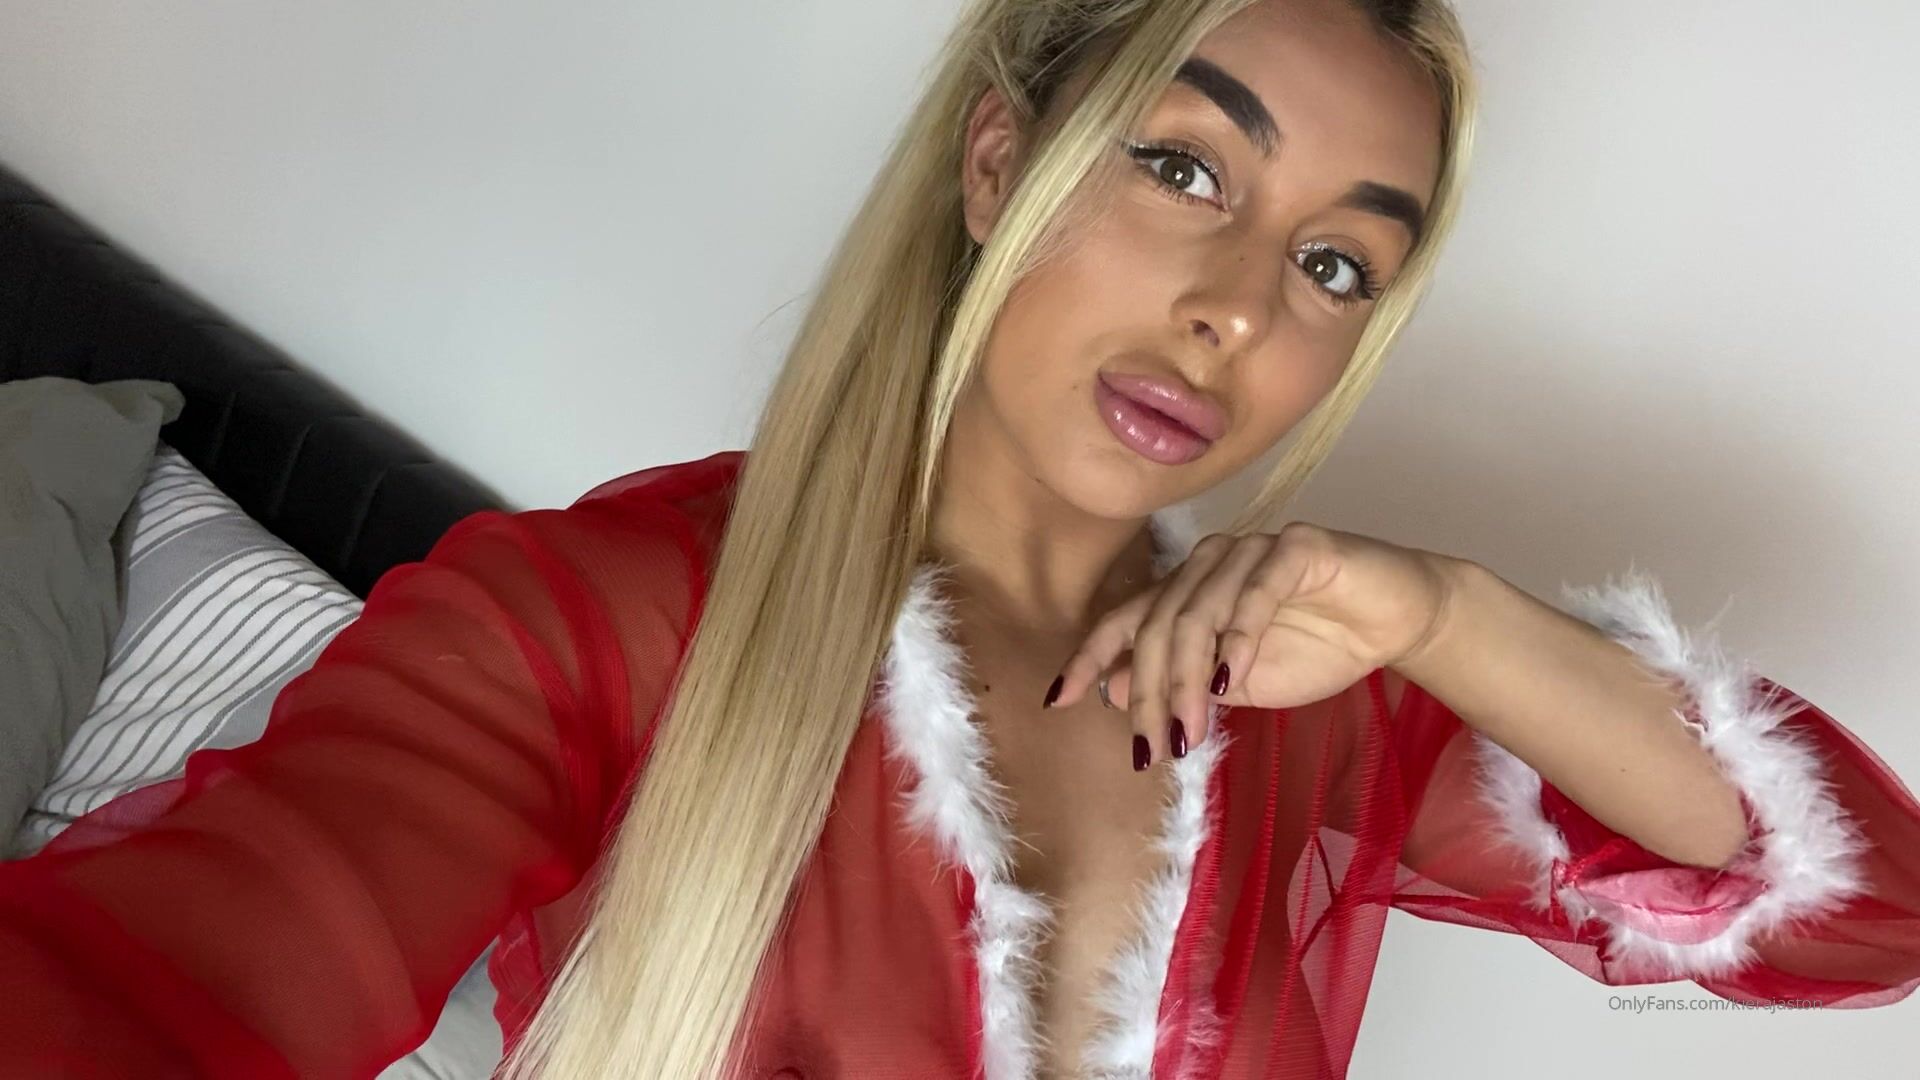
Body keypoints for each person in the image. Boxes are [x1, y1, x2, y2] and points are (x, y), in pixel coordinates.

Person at [4, 0, 1919, 1077]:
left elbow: (1861, 917)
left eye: (1337, 266)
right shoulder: (606, 621)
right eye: (1185, 166)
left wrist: (1441, 609)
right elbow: (171, 984)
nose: (1238, 309)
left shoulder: (1313, 706)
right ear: (1000, 160)